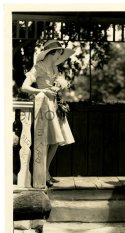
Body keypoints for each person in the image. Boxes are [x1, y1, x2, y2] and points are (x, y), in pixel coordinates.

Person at [21, 40, 75, 187]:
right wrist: (42, 90)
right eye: (59, 52)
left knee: (57, 141)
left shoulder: (54, 68)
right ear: (52, 52)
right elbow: (24, 87)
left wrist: (57, 88)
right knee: (45, 141)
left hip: (54, 105)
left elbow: (54, 86)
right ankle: (42, 174)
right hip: (43, 105)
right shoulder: (38, 67)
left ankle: (46, 171)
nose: (60, 54)